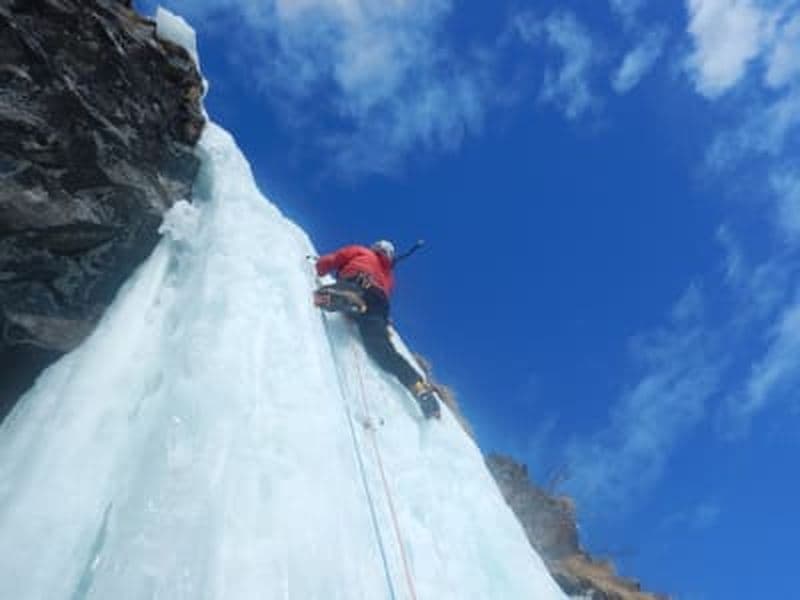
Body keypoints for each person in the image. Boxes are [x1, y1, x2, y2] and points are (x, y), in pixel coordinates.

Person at [314, 240, 441, 419]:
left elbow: (335, 259)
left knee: (339, 291)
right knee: (382, 349)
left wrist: (319, 267)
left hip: (359, 282)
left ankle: (347, 298)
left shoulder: (361, 251)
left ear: (375, 248)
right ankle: (418, 387)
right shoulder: (389, 276)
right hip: (379, 304)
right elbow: (386, 293)